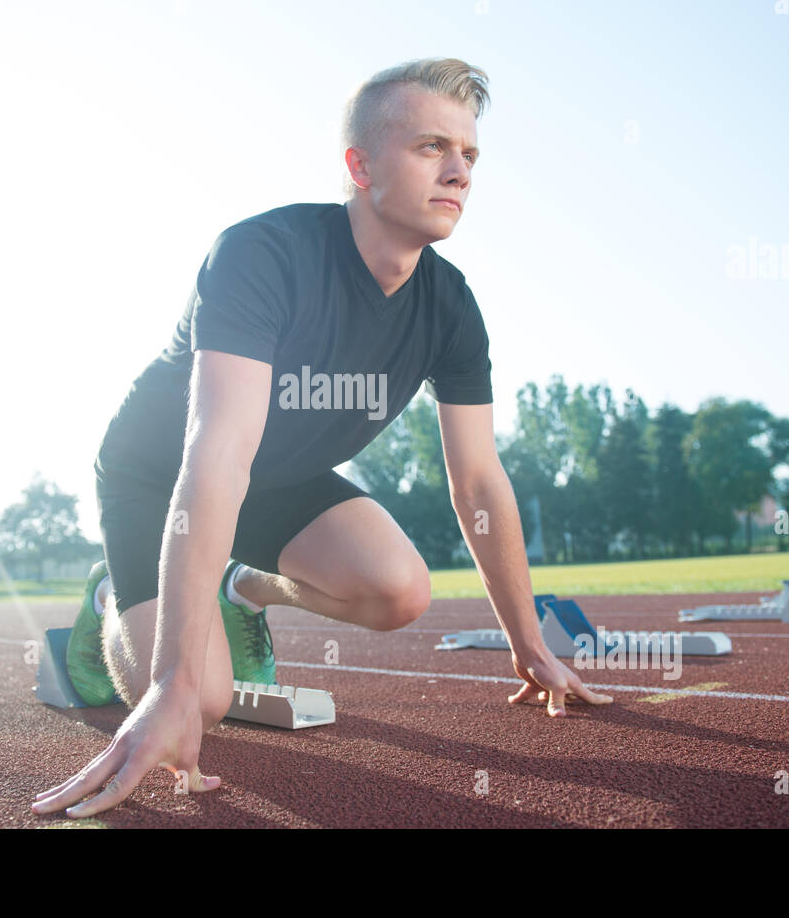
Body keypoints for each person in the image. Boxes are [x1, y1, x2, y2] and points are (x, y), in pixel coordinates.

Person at [31, 57, 612, 820]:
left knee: (402, 588)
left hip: (278, 477)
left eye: (470, 154)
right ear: (359, 165)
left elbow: (478, 481)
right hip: (163, 475)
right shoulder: (259, 254)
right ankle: (113, 597)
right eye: (432, 147)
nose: (460, 171)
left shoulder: (451, 306)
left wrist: (530, 643)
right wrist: (169, 680)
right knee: (199, 701)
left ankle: (241, 586)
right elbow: (216, 451)